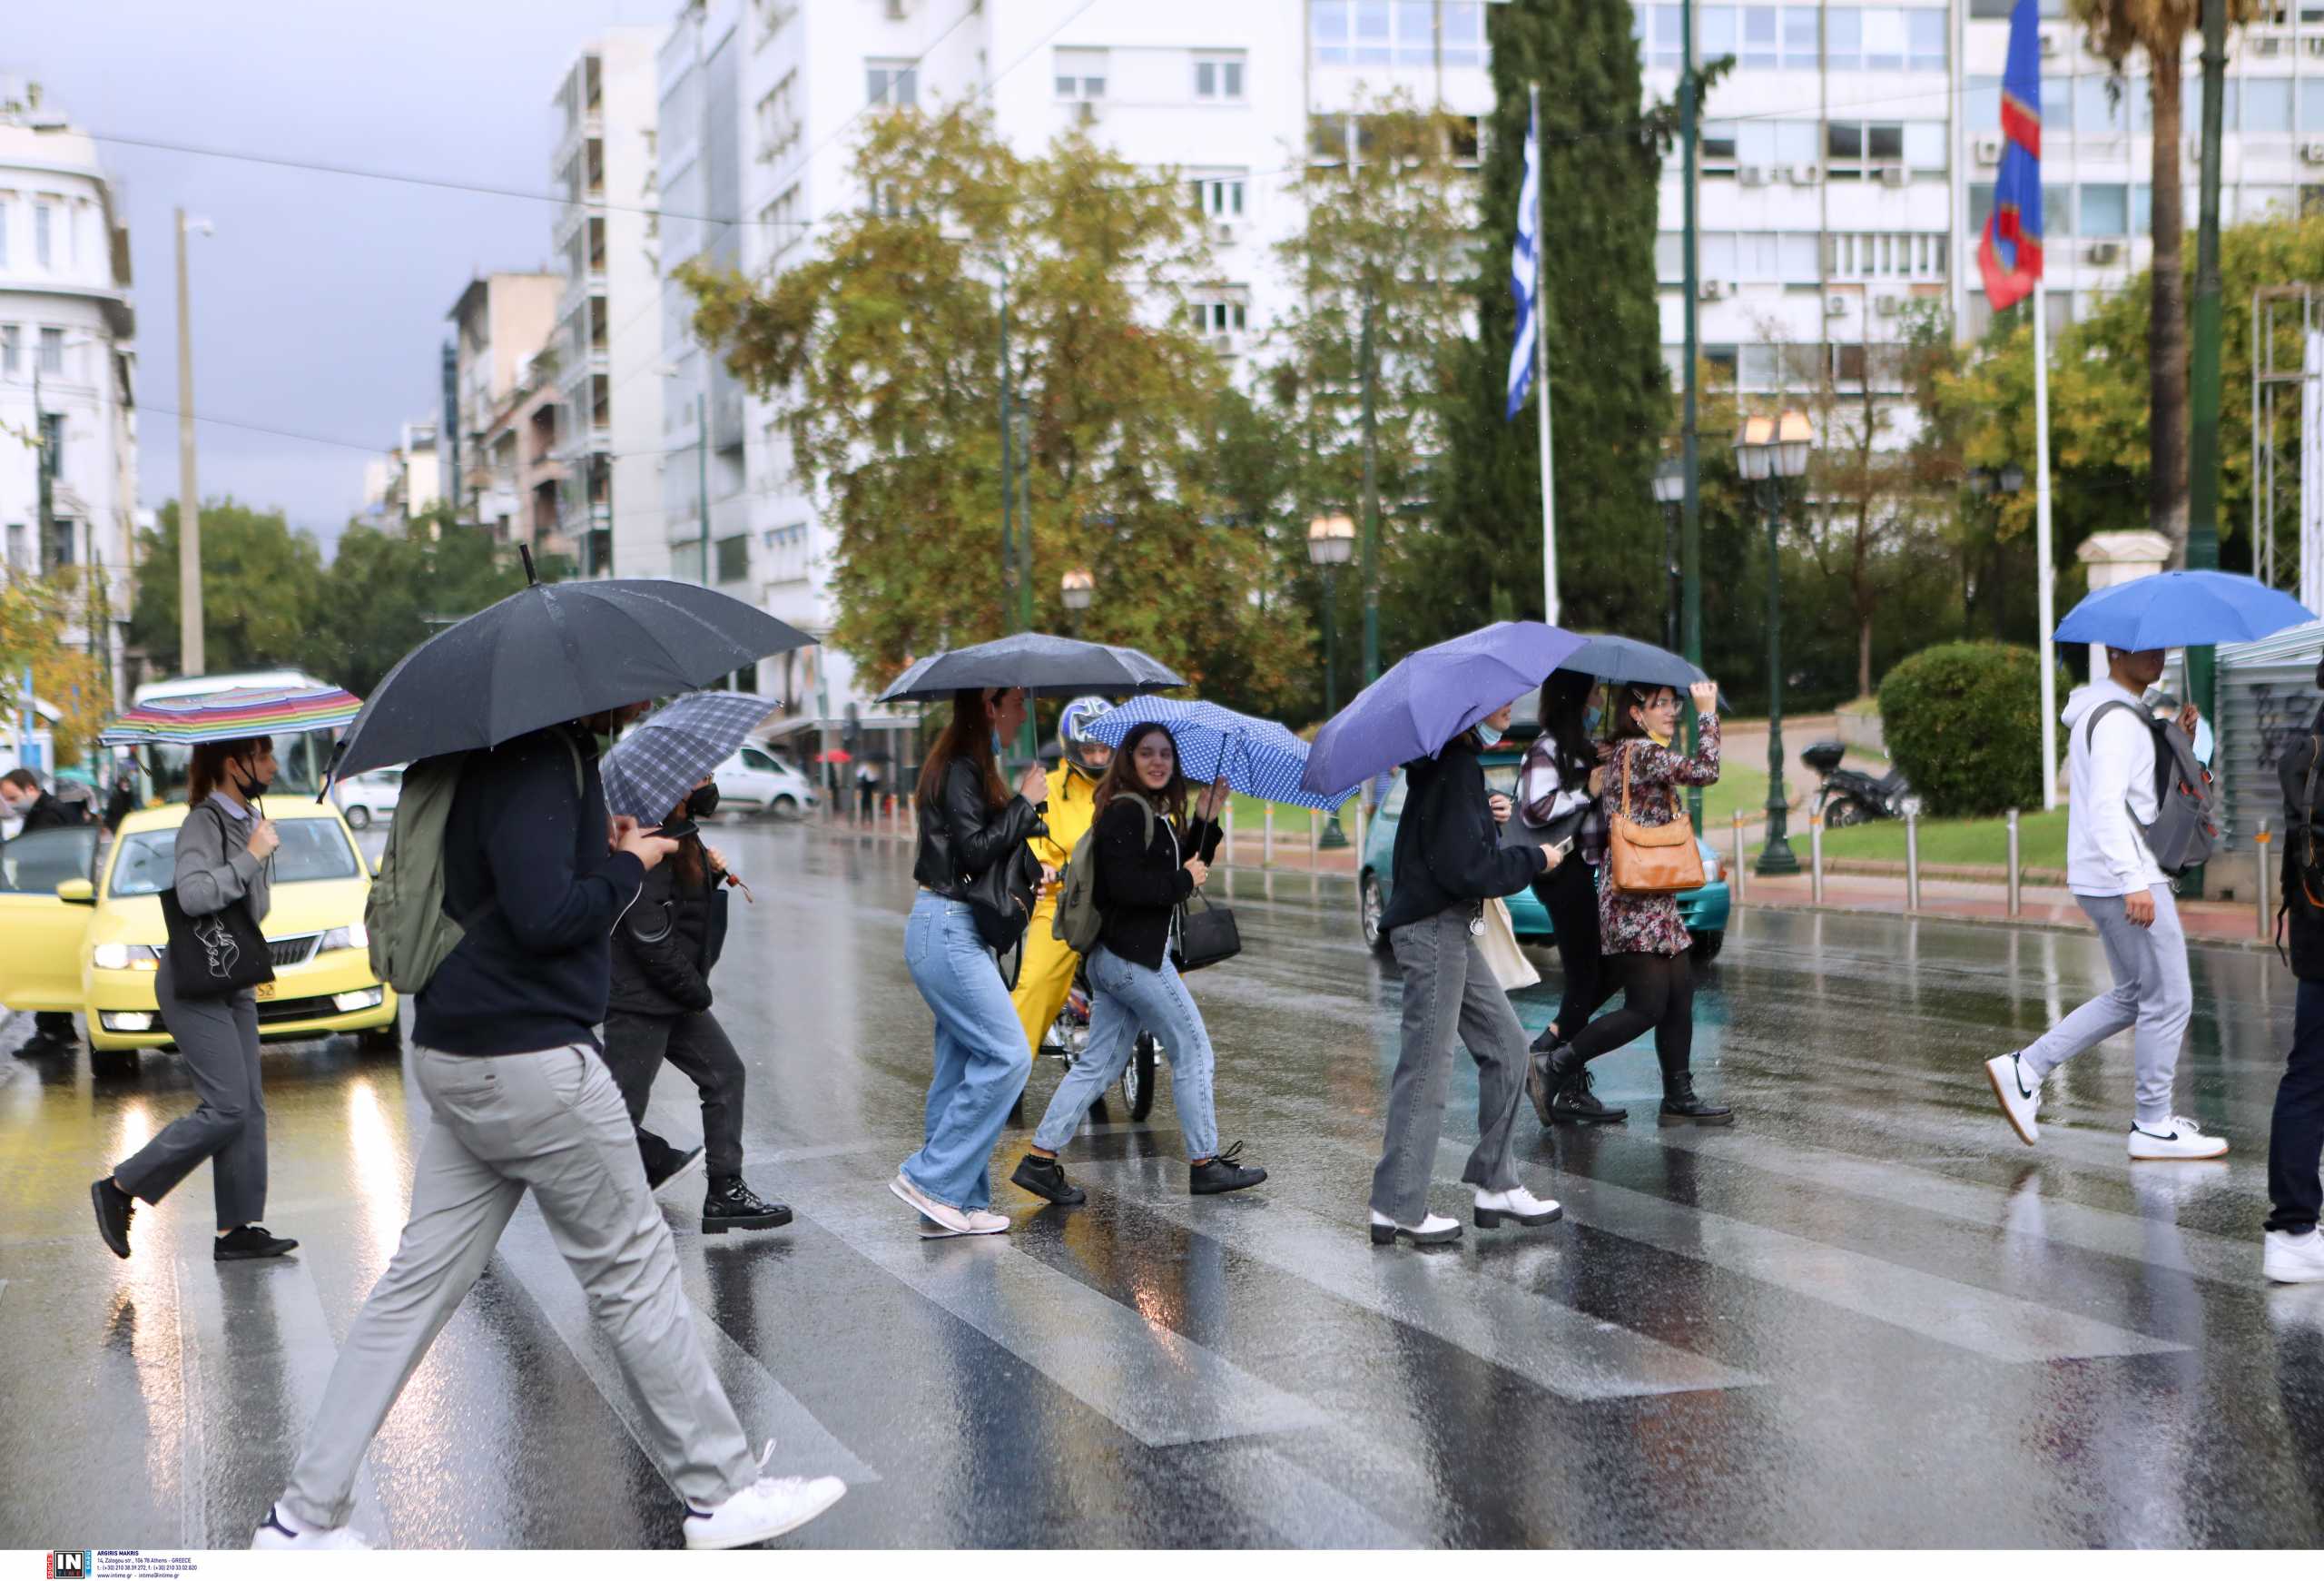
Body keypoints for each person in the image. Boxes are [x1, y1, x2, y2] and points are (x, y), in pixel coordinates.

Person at [254, 713, 846, 1551]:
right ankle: (721, 1489)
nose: (631, 713)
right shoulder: (544, 758)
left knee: (412, 1287)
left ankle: (300, 1520)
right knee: (634, 1270)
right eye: (626, 701)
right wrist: (626, 866)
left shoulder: (475, 752)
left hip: (457, 1052)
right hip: (533, 1056)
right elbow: (545, 915)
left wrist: (593, 850)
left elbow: (500, 891)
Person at [1984, 646, 2229, 1161]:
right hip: (2126, 877)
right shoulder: (2117, 720)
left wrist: (2180, 741)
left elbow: (2136, 792)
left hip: (2109, 876)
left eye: (2161, 649)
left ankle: (2025, 1069)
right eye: (2144, 650)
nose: (2156, 657)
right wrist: (2132, 881)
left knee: (2138, 994)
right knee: (2171, 997)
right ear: (2115, 652)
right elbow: (2104, 807)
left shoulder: (2119, 711)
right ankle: (2152, 1123)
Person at [1010, 721, 1265, 1204]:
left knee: (1100, 1065)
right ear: (1128, 760)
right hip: (1135, 959)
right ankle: (1205, 1163)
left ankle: (1039, 1160)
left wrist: (1206, 821)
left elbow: (1183, 866)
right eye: (1146, 753)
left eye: (1165, 754)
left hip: (1113, 960)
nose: (1157, 762)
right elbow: (1132, 889)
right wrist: (1183, 882)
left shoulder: (1149, 811)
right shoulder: (1126, 812)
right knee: (1194, 1051)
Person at [90, 736, 298, 1261]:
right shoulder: (203, 823)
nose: (273, 765)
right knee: (227, 1105)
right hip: (196, 979)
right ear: (236, 765)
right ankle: (120, 1188)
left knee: (248, 1106)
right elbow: (194, 895)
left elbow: (254, 912)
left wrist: (258, 849)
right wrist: (251, 858)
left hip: (234, 976)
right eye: (264, 755)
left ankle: (237, 1231)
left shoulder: (248, 819)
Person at [1367, 698, 1563, 1248]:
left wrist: (1488, 812)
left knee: (1507, 1044)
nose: (1508, 708)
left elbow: (1450, 850)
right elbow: (1465, 870)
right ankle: (1397, 1205)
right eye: (1496, 702)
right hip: (1432, 931)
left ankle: (1496, 1185)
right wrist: (1535, 860)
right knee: (1427, 1067)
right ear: (1466, 711)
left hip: (1447, 928)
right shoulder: (1453, 769)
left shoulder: (1452, 770)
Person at [604, 774, 792, 1236]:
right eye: (701, 775)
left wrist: (708, 872)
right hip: (639, 997)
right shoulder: (647, 838)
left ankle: (725, 1193)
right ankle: (606, 1210)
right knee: (617, 1114)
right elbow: (647, 932)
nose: (710, 780)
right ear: (674, 782)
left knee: (725, 1073)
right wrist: (696, 991)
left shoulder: (682, 830)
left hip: (670, 993)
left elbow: (681, 908)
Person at [1538, 681, 1730, 1125]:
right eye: (1658, 704)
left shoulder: (1627, 752)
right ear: (1636, 713)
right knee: (1646, 1007)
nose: (1670, 711)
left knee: (1680, 993)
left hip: (1653, 893)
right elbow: (1706, 770)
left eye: (1674, 703)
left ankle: (1678, 1096)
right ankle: (1555, 1066)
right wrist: (1707, 712)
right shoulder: (1641, 752)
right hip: (1633, 897)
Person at [895, 686, 1048, 1238]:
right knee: (1009, 1054)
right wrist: (1025, 803)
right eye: (1015, 703)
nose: (1022, 714)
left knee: (959, 1069)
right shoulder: (960, 765)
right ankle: (930, 1179)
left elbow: (984, 845)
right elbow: (975, 850)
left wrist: (1026, 818)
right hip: (948, 928)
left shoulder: (966, 765)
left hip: (948, 927)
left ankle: (952, 1203)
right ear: (989, 705)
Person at [1516, 673, 1622, 1124]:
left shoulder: (1578, 748)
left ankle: (1558, 1065)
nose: (1600, 700)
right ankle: (1547, 1058)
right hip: (1560, 872)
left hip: (1580, 870)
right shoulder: (1546, 749)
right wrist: (1586, 790)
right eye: (1595, 693)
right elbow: (1536, 807)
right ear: (1577, 699)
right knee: (1588, 975)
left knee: (1598, 972)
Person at [1009, 697, 1115, 1065]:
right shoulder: (1048, 787)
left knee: (1165, 968)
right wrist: (1043, 866)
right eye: (1090, 749)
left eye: (1105, 749)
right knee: (1037, 982)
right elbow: (1032, 839)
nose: (1099, 758)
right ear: (1072, 748)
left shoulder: (1126, 787)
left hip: (1119, 900)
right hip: (1063, 901)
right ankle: (1010, 1066)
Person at [2268, 663, 2324, 1285]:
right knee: (2311, 1077)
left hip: (2312, 927)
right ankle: (2293, 1227)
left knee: (2309, 1073)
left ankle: (2295, 1223)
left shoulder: (2308, 746)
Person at [5, 766, 92, 1052]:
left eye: (13, 797)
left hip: (49, 898)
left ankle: (52, 1030)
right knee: (52, 963)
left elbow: (39, 857)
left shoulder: (48, 815)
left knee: (45, 963)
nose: (11, 804)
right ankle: (57, 1027)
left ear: (30, 788)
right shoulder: (54, 809)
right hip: (58, 897)